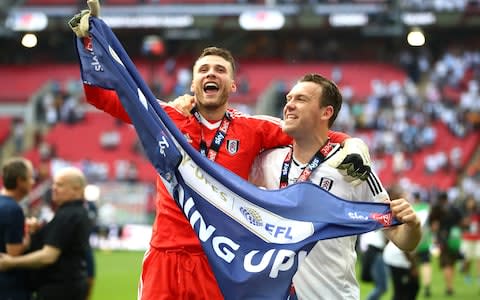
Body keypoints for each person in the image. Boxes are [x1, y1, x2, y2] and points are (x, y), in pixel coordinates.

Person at [69, 2, 372, 298]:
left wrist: (351, 143)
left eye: (220, 70)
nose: (211, 74)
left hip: (219, 259)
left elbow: (310, 130)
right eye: (203, 69)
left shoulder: (254, 127)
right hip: (165, 254)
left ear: (233, 85)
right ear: (193, 83)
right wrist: (88, 40)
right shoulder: (164, 117)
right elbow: (100, 96)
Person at [249, 73, 422, 299]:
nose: (289, 105)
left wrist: (413, 225)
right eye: (289, 98)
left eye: (300, 99)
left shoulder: (352, 168)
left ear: (326, 112)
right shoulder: (268, 162)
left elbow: (401, 239)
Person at [0, 167, 92, 300]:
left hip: (60, 289)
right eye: (54, 184)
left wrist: (11, 262)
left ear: (76, 189)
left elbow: (48, 256)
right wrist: (38, 232)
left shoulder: (69, 215)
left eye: (60, 184)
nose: (54, 188)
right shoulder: (74, 212)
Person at [0, 157, 36, 300]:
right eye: (30, 178)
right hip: (9, 287)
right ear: (20, 181)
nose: (33, 182)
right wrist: (30, 234)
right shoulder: (13, 210)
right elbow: (13, 253)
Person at [382, 185, 420, 300]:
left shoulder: (391, 213)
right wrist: (413, 265)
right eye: (402, 194)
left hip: (391, 255)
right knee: (408, 289)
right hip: (397, 257)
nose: (406, 196)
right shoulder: (399, 212)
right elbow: (405, 247)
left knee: (401, 290)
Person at [429, 192, 463, 296]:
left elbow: (433, 226)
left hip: (442, 240)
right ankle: (450, 285)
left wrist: (435, 235)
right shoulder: (454, 208)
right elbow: (461, 221)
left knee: (446, 264)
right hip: (454, 239)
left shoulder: (437, 209)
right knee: (452, 263)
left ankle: (449, 287)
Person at [360, 229, 388, 300]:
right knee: (381, 287)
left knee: (380, 286)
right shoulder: (381, 220)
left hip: (371, 251)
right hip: (376, 251)